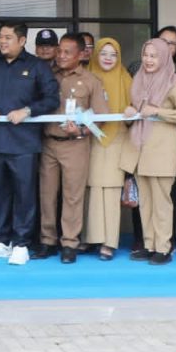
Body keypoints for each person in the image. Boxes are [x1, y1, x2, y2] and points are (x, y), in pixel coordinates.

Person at [0, 21, 59, 266]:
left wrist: (28, 110)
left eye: (8, 37)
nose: (2, 41)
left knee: (24, 195)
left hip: (24, 143)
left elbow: (52, 98)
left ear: (22, 41)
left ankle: (21, 243)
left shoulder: (37, 66)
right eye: (0, 37)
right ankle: (1, 241)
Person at [32, 33, 108, 264]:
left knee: (73, 196)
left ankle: (69, 243)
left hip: (75, 145)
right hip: (48, 142)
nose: (61, 56)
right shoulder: (48, 75)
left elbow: (101, 117)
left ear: (81, 54)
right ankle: (47, 241)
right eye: (60, 51)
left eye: (67, 52)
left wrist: (82, 131)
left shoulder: (91, 81)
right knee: (46, 194)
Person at [119, 38, 176, 265]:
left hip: (161, 150)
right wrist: (131, 112)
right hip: (139, 150)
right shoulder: (138, 80)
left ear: (164, 57)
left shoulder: (175, 82)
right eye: (145, 55)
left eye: (154, 56)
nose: (148, 60)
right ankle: (149, 245)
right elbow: (138, 112)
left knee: (162, 203)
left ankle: (163, 248)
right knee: (146, 202)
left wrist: (158, 111)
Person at [84, 38, 132, 261]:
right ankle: (90, 238)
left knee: (111, 190)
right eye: (103, 53)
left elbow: (135, 106)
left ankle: (109, 242)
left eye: (113, 54)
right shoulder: (87, 76)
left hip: (117, 138)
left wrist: (132, 109)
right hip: (90, 138)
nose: (108, 58)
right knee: (92, 189)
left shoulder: (125, 78)